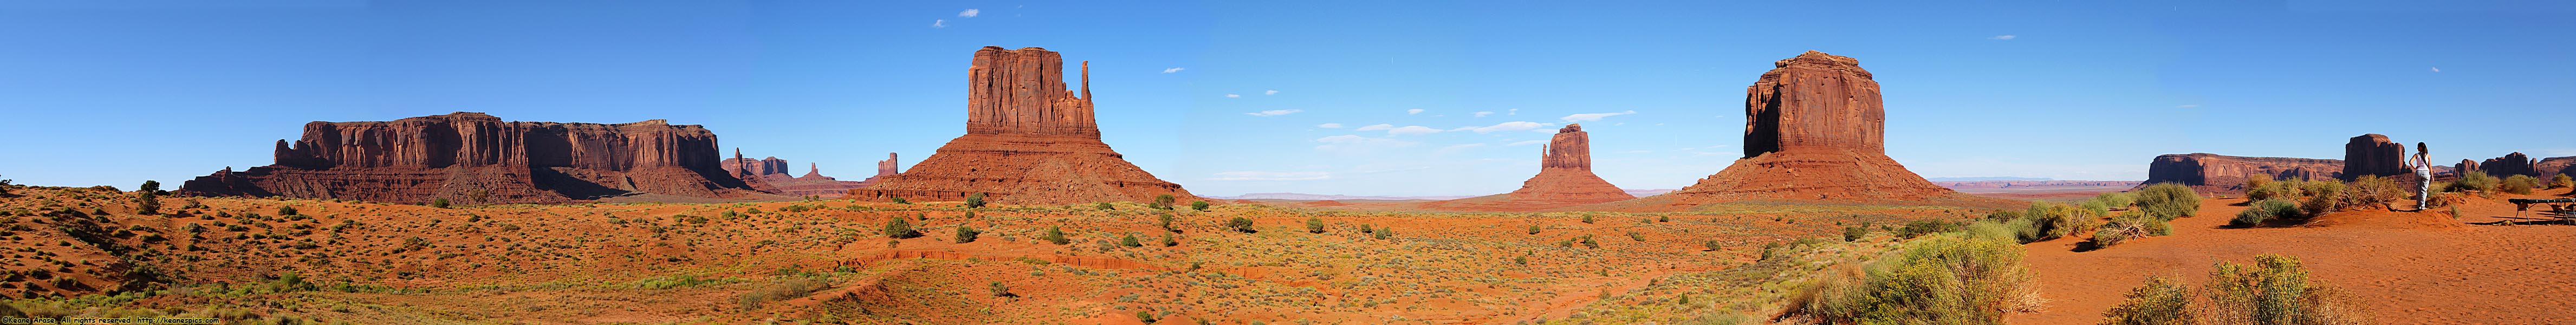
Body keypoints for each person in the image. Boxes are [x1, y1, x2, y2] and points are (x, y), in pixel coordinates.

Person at [2409, 142, 2432, 211]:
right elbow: (2430, 166)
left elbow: (2410, 162)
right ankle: (2423, 206)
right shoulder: (2428, 155)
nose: (2417, 148)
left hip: (2418, 173)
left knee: (2418, 190)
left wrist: (2415, 168)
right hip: (2426, 173)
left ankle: (2418, 206)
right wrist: (2432, 176)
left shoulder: (2416, 155)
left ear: (2421, 147)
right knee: (2424, 190)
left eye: (2418, 147)